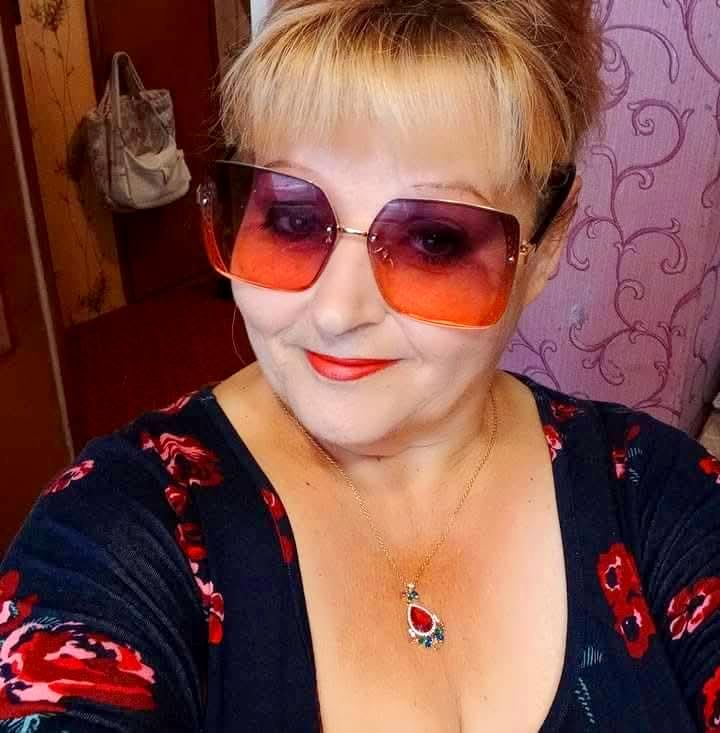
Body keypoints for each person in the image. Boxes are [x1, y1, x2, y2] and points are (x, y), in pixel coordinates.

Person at [1, 1, 719, 731]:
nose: (337, 313)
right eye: (292, 219)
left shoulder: (658, 495)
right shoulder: (117, 533)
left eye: (433, 239)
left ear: (549, 242)